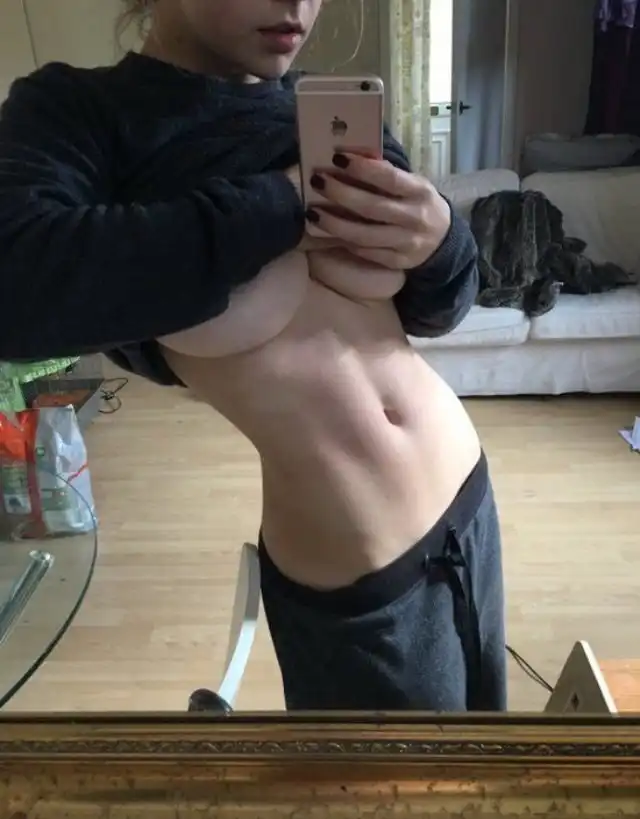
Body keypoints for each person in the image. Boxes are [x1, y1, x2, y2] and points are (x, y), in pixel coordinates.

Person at [0, 0, 506, 711]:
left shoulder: (326, 114)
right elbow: (18, 288)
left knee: (490, 755)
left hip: (468, 498)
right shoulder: (81, 113)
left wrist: (443, 238)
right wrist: (285, 204)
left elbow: (436, 309)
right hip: (359, 574)